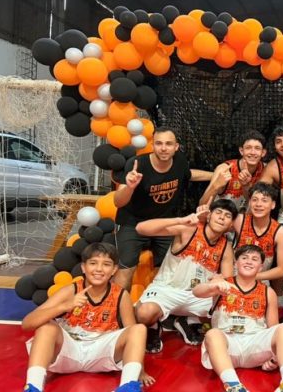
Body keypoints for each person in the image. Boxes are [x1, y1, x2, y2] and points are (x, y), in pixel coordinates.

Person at [22, 243, 152, 392]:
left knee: (138, 329)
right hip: (69, 352)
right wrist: (63, 306)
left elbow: (132, 334)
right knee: (47, 327)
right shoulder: (70, 290)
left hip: (102, 354)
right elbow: (27, 323)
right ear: (83, 267)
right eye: (93, 263)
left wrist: (139, 370)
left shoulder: (121, 295)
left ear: (114, 269)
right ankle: (33, 387)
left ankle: (128, 386)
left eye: (106, 264)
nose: (99, 269)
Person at [193, 244, 283, 392]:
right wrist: (212, 286)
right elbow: (196, 292)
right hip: (228, 347)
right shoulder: (222, 284)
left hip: (255, 346)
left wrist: (274, 358)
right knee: (212, 334)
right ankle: (234, 386)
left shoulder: (268, 292)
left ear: (260, 267)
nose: (249, 261)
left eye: (254, 259)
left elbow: (273, 329)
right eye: (244, 258)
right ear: (236, 263)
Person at [113, 127, 213, 291]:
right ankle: (116, 305)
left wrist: (214, 175)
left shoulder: (179, 162)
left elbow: (188, 174)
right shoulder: (137, 165)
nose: (164, 148)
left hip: (163, 223)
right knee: (126, 269)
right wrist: (130, 187)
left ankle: (158, 305)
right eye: (159, 143)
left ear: (176, 147)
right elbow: (118, 202)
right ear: (153, 145)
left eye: (168, 144)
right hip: (132, 223)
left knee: (169, 270)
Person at [134, 199, 237, 353]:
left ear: (231, 225)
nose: (222, 217)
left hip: (198, 296)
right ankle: (154, 326)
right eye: (218, 212)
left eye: (227, 216)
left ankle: (187, 321)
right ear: (209, 216)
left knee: (229, 314)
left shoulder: (226, 247)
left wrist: (219, 280)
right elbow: (141, 228)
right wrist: (180, 220)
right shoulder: (189, 229)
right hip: (167, 290)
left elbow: (227, 282)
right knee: (144, 314)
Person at [232, 182, 283, 286]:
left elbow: (282, 269)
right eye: (254, 200)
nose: (258, 204)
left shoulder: (279, 232)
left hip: (261, 278)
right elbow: (215, 230)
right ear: (249, 202)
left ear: (273, 205)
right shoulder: (240, 220)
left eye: (264, 200)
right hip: (235, 275)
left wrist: (253, 277)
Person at [199, 130, 267, 212]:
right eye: (248, 148)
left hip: (248, 218)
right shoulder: (225, 169)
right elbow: (201, 206)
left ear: (263, 152)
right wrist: (216, 186)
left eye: (257, 148)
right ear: (241, 151)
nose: (253, 152)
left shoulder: (266, 170)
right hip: (222, 217)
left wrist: (246, 186)